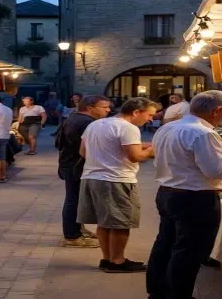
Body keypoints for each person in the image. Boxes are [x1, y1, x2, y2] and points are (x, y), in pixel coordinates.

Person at [147, 91, 222, 299]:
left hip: (167, 192)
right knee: (189, 250)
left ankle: (158, 290)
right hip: (194, 198)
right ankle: (178, 295)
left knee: (165, 243)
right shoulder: (203, 133)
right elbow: (217, 171)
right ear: (217, 110)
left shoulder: (167, 127)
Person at [78, 97, 160, 273]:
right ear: (136, 112)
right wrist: (153, 149)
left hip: (92, 177)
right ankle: (118, 260)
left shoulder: (95, 124)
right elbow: (135, 156)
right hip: (116, 179)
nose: (151, 119)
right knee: (120, 222)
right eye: (150, 114)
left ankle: (107, 258)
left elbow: (83, 151)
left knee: (104, 222)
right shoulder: (128, 127)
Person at [55, 95, 112, 249]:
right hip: (77, 166)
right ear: (90, 108)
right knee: (73, 200)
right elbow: (87, 148)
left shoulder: (75, 117)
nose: (108, 110)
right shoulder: (86, 122)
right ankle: (72, 236)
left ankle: (77, 229)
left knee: (76, 200)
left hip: (71, 164)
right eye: (104, 106)